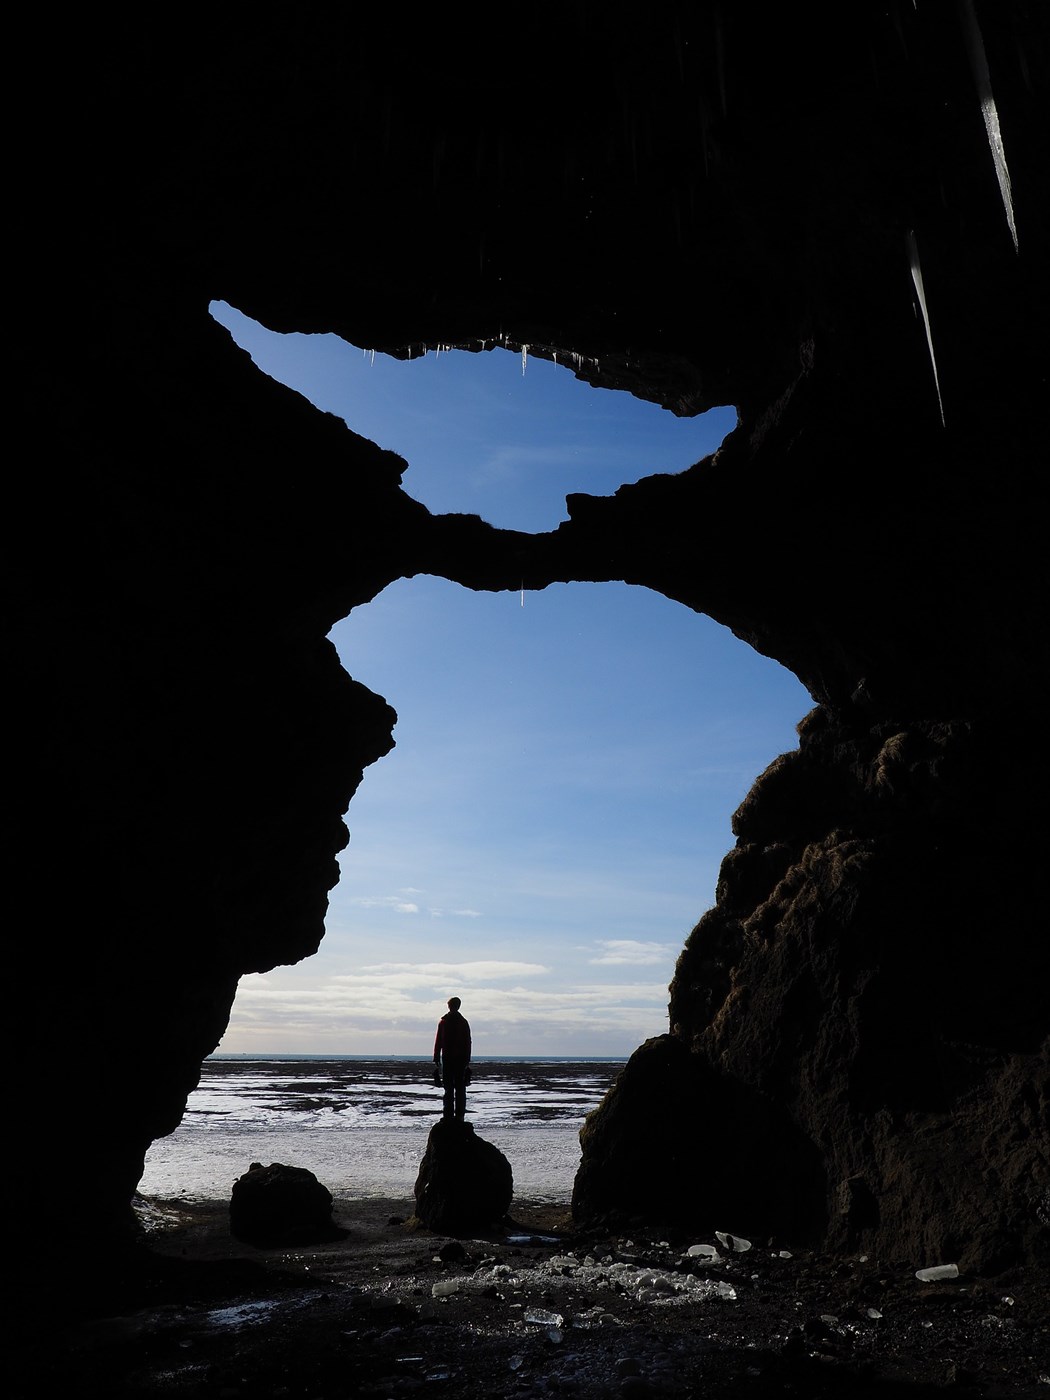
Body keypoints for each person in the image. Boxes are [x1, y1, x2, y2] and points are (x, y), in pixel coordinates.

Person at [433, 996, 471, 1122]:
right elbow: (467, 1042)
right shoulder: (451, 1022)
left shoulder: (450, 1022)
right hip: (452, 1058)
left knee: (454, 1089)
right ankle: (453, 1116)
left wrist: (436, 1056)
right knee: (453, 1089)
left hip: (454, 1058)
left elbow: (439, 1041)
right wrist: (436, 1056)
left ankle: (454, 1116)